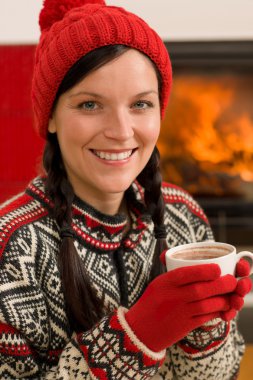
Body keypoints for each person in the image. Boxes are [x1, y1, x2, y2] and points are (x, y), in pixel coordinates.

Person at [0, 0, 251, 378]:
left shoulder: (183, 215)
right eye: (89, 104)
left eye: (140, 104)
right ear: (50, 115)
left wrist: (206, 327)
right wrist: (136, 336)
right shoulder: (11, 245)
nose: (120, 131)